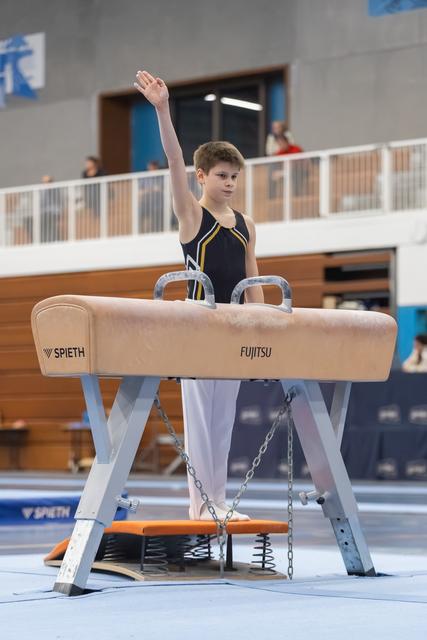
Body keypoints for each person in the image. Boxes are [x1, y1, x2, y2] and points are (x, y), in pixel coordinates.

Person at [134, 69, 263, 521]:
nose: (229, 183)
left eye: (235, 176)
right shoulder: (192, 216)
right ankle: (199, 505)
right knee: (201, 422)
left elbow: (252, 282)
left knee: (224, 421)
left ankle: (219, 502)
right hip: (197, 321)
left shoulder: (246, 224)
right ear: (202, 175)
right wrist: (163, 109)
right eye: (222, 175)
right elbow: (172, 160)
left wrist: (265, 329)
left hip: (231, 326)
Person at [40, 175, 63, 242]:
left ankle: (56, 239)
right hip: (45, 213)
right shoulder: (42, 191)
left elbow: (59, 203)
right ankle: (45, 239)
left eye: (48, 182)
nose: (46, 184)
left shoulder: (55, 190)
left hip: (54, 212)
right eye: (44, 182)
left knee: (50, 220)